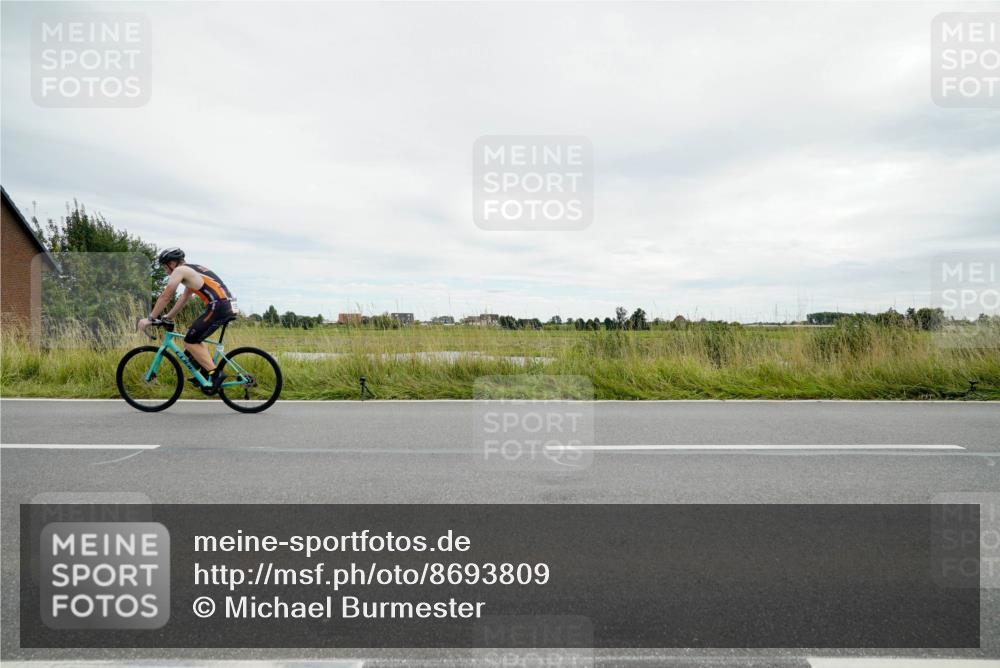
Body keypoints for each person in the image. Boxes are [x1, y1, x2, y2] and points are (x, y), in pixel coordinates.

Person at [139, 248, 235, 391]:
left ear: (172, 263)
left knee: (190, 341)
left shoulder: (180, 271)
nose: (166, 271)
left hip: (218, 306)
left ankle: (216, 375)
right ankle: (205, 371)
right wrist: (167, 317)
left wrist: (150, 318)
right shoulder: (192, 270)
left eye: (165, 267)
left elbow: (166, 295)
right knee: (194, 335)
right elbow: (184, 298)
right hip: (225, 305)